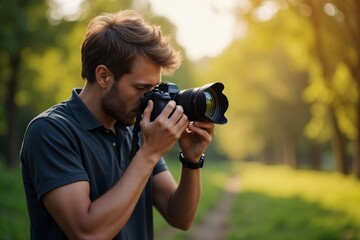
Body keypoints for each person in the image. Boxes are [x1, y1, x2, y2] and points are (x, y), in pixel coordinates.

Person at [20, 9, 215, 240]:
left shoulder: (137, 130)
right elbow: (87, 232)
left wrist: (191, 161)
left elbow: (181, 217)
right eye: (141, 88)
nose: (148, 99)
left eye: (154, 89)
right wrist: (149, 153)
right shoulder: (51, 131)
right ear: (103, 76)